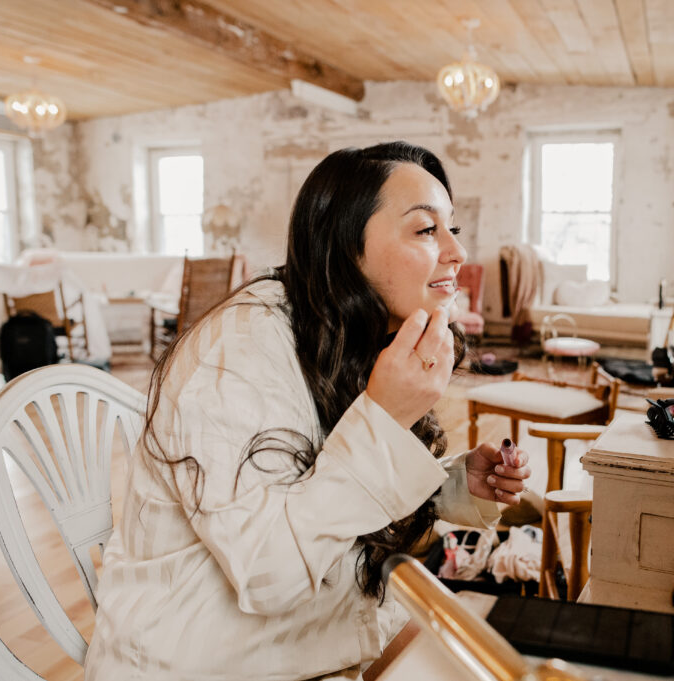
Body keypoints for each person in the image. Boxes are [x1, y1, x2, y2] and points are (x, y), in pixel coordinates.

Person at [85, 141, 531, 681]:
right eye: (424, 229)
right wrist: (386, 420)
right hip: (208, 659)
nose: (456, 253)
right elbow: (270, 570)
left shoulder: (349, 329)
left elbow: (316, 483)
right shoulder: (238, 352)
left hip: (323, 635)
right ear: (345, 247)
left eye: (452, 229)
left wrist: (453, 487)